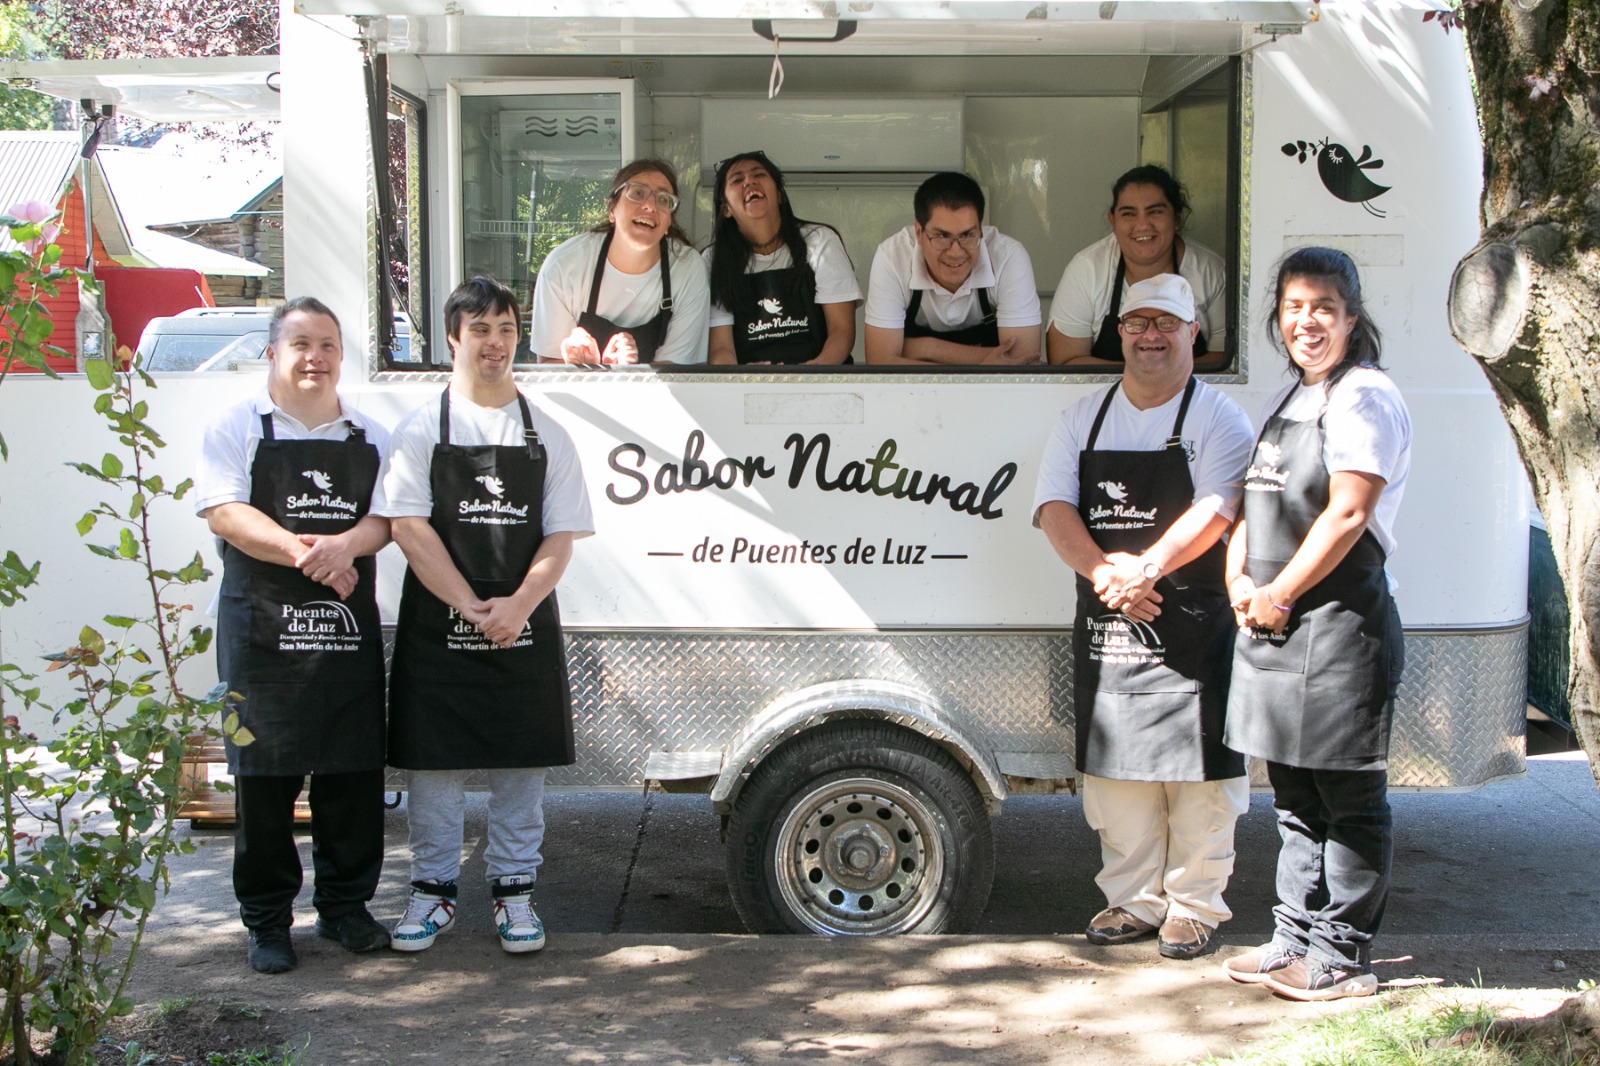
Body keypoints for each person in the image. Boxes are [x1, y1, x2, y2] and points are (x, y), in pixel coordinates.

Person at [1034, 274, 1253, 960]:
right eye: (1137, 323)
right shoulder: (1083, 417)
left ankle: (1194, 905)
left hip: (1195, 626)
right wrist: (1106, 574)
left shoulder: (1221, 418)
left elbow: (1217, 511)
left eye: (1166, 323)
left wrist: (1145, 569)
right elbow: (1054, 510)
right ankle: (1132, 900)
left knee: (1203, 780)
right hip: (1110, 623)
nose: (1150, 335)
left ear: (1194, 333)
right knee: (1116, 777)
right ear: (1119, 332)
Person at [1221, 247, 1411, 1000]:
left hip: (1338, 630)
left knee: (1350, 800)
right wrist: (1239, 578)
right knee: (1296, 802)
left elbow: (1348, 513)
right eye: (1295, 307)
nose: (1307, 321)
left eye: (1323, 308)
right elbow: (1250, 505)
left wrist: (1282, 593)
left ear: (1351, 319)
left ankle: (1341, 955)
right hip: (1275, 625)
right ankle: (1290, 939)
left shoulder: (1364, 397)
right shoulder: (1291, 397)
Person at [384, 276, 595, 954]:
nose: (495, 343)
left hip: (522, 622)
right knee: (434, 767)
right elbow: (410, 529)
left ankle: (514, 894)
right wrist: (470, 606)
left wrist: (521, 604)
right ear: (454, 337)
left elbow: (560, 536)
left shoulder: (548, 433)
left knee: (519, 766)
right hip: (442, 621)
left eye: (505, 329)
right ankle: (432, 893)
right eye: (480, 330)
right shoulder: (421, 429)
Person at [194, 296, 392, 974]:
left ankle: (344, 910)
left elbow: (389, 520)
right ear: (274, 353)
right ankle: (268, 923)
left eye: (329, 345)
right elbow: (223, 513)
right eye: (301, 343)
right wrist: (308, 554)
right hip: (258, 637)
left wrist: (347, 547)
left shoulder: (369, 434)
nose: (316, 357)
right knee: (262, 782)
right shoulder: (236, 426)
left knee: (351, 778)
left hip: (343, 636)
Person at [1047, 165, 1227, 371]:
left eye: (1155, 212)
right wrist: (1141, 379)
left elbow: (1222, 361)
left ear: (1176, 218)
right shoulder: (1087, 269)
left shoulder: (1210, 271)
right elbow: (1065, 361)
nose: (1142, 225)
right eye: (1128, 214)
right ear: (1112, 220)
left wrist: (1154, 380)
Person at [531, 158, 710, 365]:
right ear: (611, 210)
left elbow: (675, 372)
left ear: (669, 221)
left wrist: (619, 374)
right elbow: (550, 365)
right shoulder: (563, 266)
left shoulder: (688, 269)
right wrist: (597, 367)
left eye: (663, 200)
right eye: (637, 193)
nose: (650, 205)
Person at [863, 171, 1041, 366]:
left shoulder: (1008, 256)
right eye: (942, 236)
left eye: (967, 235)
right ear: (919, 233)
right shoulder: (893, 257)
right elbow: (880, 361)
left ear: (981, 230)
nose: (956, 252)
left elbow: (1022, 363)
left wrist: (919, 349)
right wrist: (980, 362)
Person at [704, 150, 861, 365]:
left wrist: (811, 374)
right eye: (737, 180)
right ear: (726, 209)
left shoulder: (819, 240)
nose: (749, 182)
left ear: (780, 195)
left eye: (759, 175)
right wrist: (740, 379)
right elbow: (721, 349)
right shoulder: (713, 260)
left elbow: (841, 331)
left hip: (822, 377)